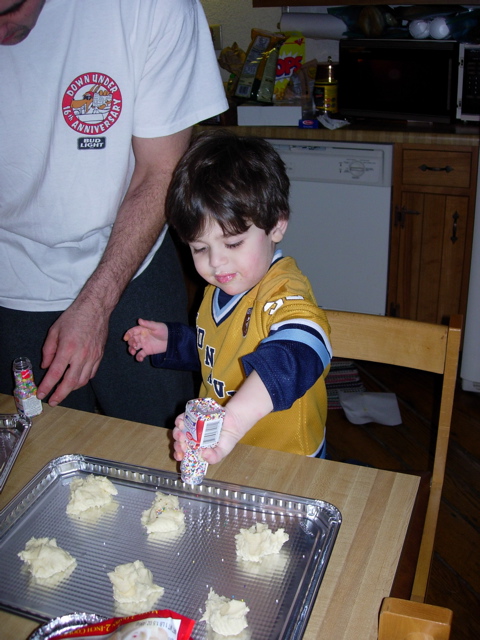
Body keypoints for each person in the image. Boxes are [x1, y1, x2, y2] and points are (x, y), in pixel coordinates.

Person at [0, 0, 228, 427]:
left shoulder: (152, 7)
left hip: (130, 260)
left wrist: (97, 304)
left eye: (8, 10)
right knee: (35, 449)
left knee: (161, 441)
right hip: (10, 281)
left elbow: (161, 171)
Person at [124, 130, 332, 463]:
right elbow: (222, 353)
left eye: (233, 243)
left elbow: (303, 347)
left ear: (277, 225)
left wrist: (233, 421)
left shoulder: (283, 289)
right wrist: (175, 342)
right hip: (226, 449)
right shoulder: (218, 288)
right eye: (199, 248)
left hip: (288, 461)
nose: (216, 262)